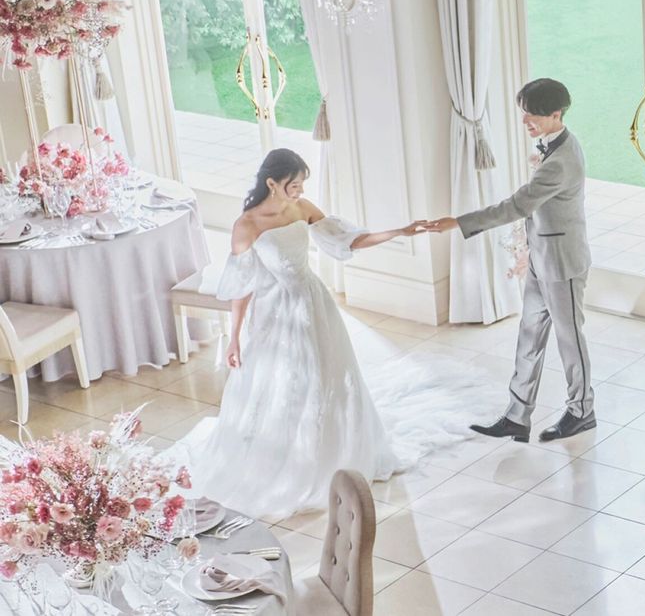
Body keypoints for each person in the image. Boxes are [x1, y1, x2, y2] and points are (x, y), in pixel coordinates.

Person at [169, 148, 499, 519]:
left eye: (302, 184)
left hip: (314, 304)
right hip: (277, 314)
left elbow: (349, 240)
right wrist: (233, 337)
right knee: (285, 384)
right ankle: (291, 456)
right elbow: (243, 286)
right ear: (271, 183)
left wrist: (400, 231)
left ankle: (332, 450)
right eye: (294, 185)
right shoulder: (247, 225)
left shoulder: (301, 208)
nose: (299, 191)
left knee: (328, 376)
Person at [427, 78, 595, 443]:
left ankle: (582, 411)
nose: (524, 121)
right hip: (541, 258)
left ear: (556, 114)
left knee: (570, 340)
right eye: (524, 113)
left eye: (532, 114)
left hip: (563, 264)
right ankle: (517, 416)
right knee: (529, 336)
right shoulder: (555, 144)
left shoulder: (560, 161)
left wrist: (459, 222)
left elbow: (516, 206)